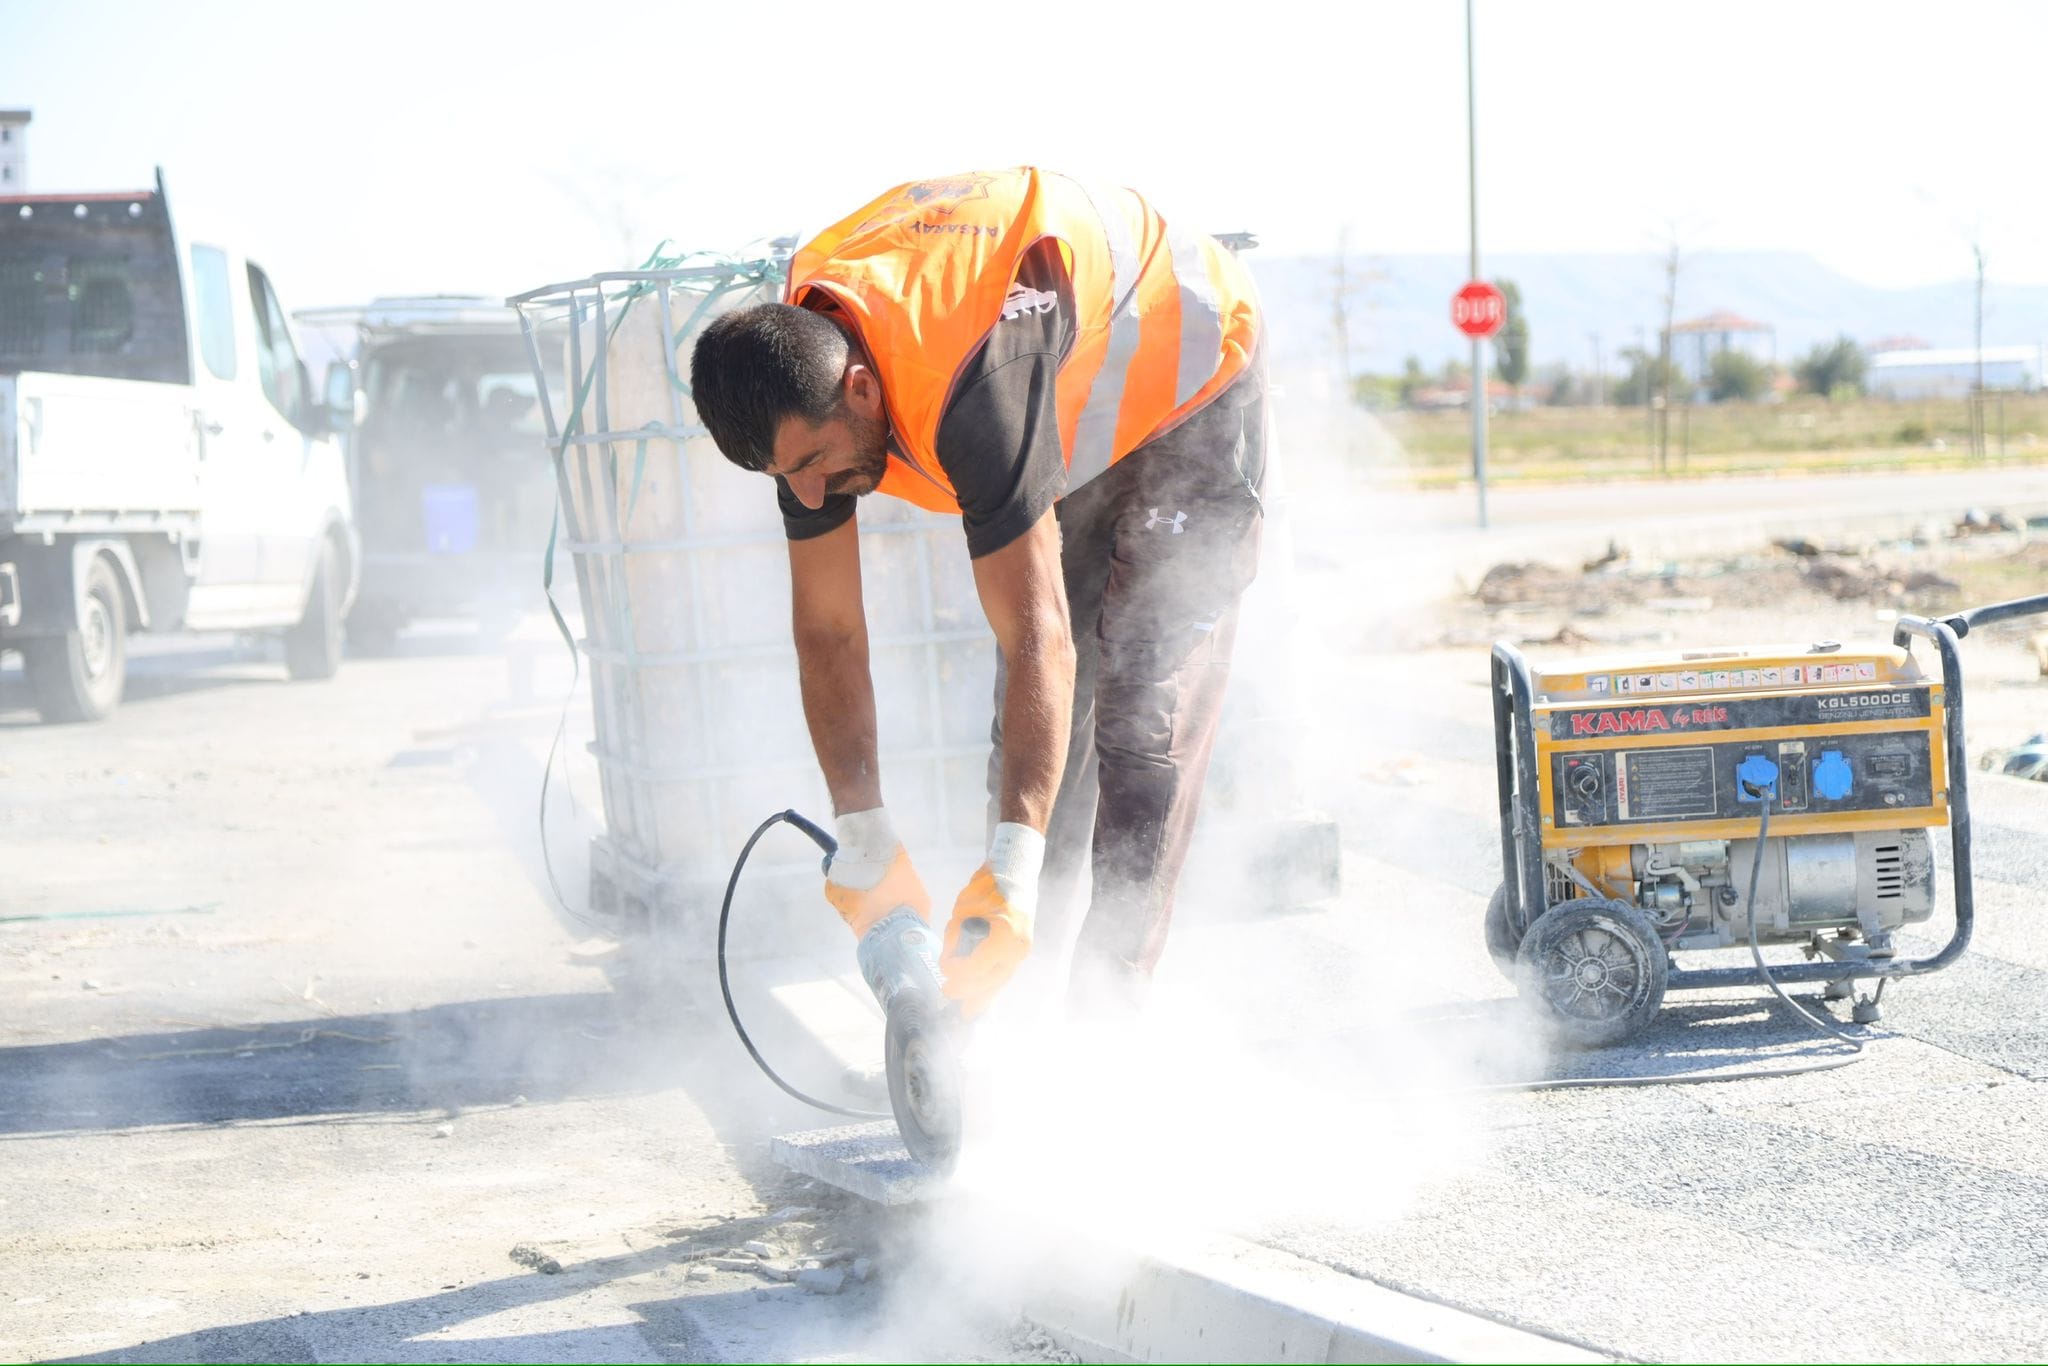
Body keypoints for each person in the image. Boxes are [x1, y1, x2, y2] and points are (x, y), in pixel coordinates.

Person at [690, 168, 1266, 1019]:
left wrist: (1011, 867)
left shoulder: (971, 384)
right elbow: (830, 635)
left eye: (811, 466)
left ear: (858, 387)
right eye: (787, 478)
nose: (810, 497)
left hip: (1194, 379)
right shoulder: (792, 387)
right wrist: (865, 836)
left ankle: (1108, 1014)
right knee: (1032, 735)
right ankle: (1007, 989)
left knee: (1142, 711)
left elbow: (1039, 638)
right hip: (1074, 383)